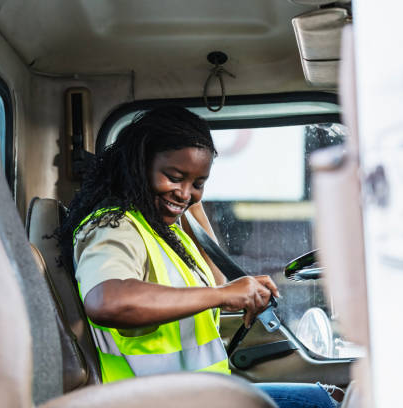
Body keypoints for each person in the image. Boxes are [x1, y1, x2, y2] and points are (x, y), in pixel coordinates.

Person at [58, 106, 343, 408]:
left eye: (198, 182)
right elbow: (106, 301)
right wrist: (222, 295)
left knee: (331, 397)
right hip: (153, 400)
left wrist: (192, 203)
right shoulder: (114, 227)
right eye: (174, 177)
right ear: (139, 167)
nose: (184, 192)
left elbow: (213, 279)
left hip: (200, 395)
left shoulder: (164, 230)